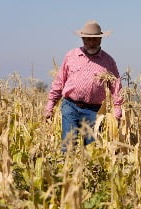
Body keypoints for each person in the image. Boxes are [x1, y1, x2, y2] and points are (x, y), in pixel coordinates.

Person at [44, 20, 123, 151]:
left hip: (94, 111)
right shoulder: (71, 56)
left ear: (100, 40)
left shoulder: (108, 61)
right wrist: (50, 106)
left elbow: (116, 88)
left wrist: (117, 111)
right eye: (88, 39)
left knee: (92, 150)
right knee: (68, 146)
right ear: (82, 38)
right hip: (71, 106)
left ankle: (88, 171)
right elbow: (59, 81)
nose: (91, 43)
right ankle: (68, 170)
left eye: (95, 40)